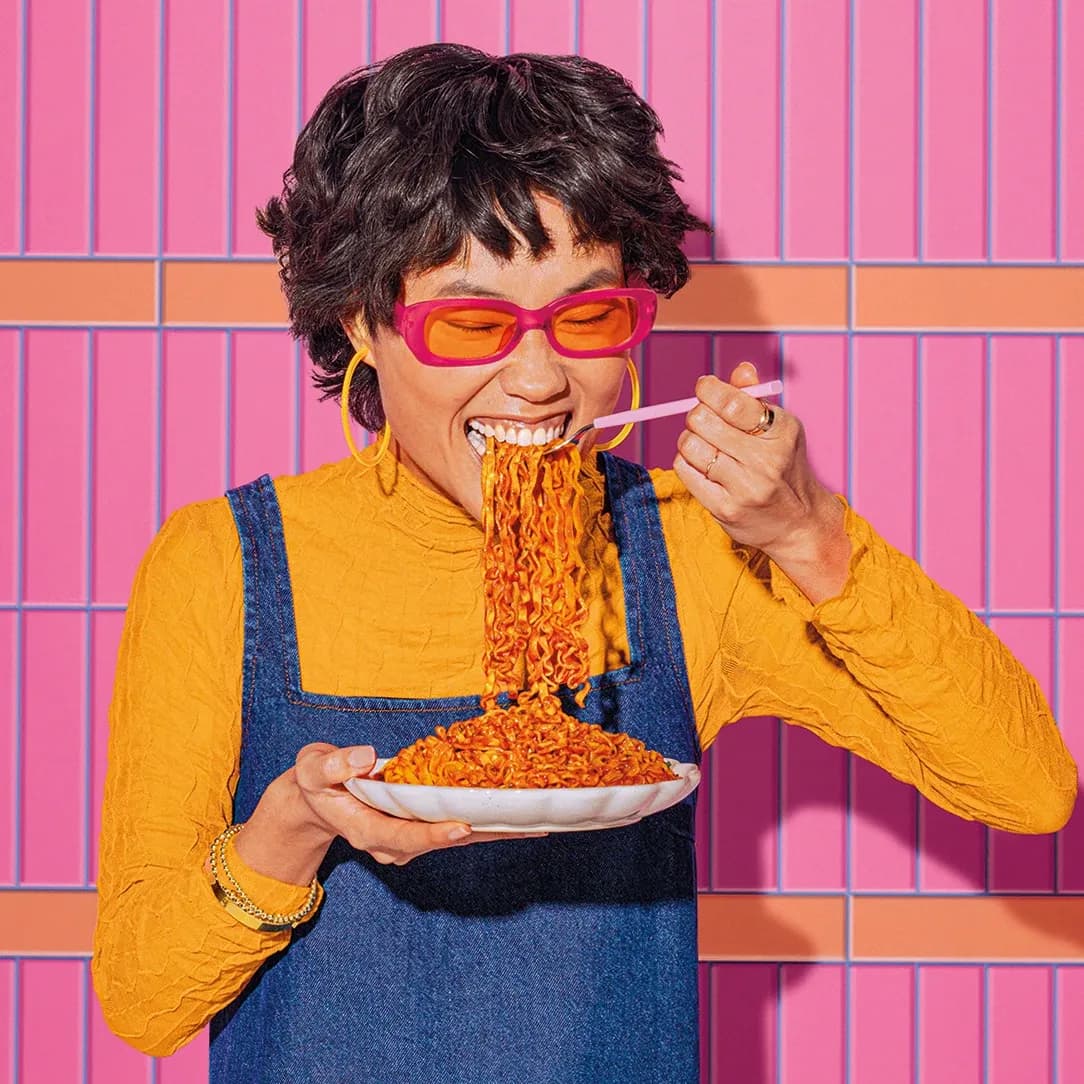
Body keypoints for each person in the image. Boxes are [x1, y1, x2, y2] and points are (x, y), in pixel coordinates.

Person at [92, 43, 1077, 1084]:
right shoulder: (224, 563)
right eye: (471, 322)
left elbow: (1027, 789)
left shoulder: (683, 549)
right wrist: (286, 832)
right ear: (360, 322)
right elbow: (145, 1001)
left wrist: (812, 538)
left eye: (587, 316)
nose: (536, 380)